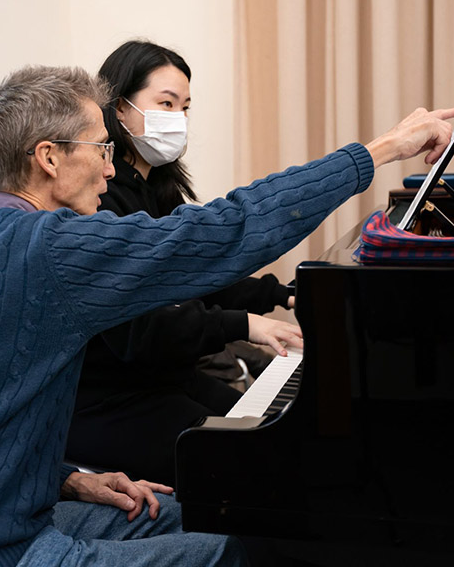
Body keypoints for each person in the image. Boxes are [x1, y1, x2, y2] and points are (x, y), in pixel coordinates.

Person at [0, 63, 454, 567]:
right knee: (240, 544)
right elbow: (228, 228)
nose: (113, 168)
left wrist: (64, 478)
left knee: (205, 506)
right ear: (49, 157)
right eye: (101, 149)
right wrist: (379, 151)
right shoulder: (50, 247)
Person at [65, 40, 300, 486]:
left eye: (185, 107)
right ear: (119, 108)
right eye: (166, 104)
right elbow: (143, 328)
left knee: (274, 432)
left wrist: (281, 295)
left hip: (160, 380)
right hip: (110, 400)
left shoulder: (158, 192)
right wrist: (245, 324)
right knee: (247, 464)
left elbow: (204, 272)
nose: (178, 119)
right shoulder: (101, 203)